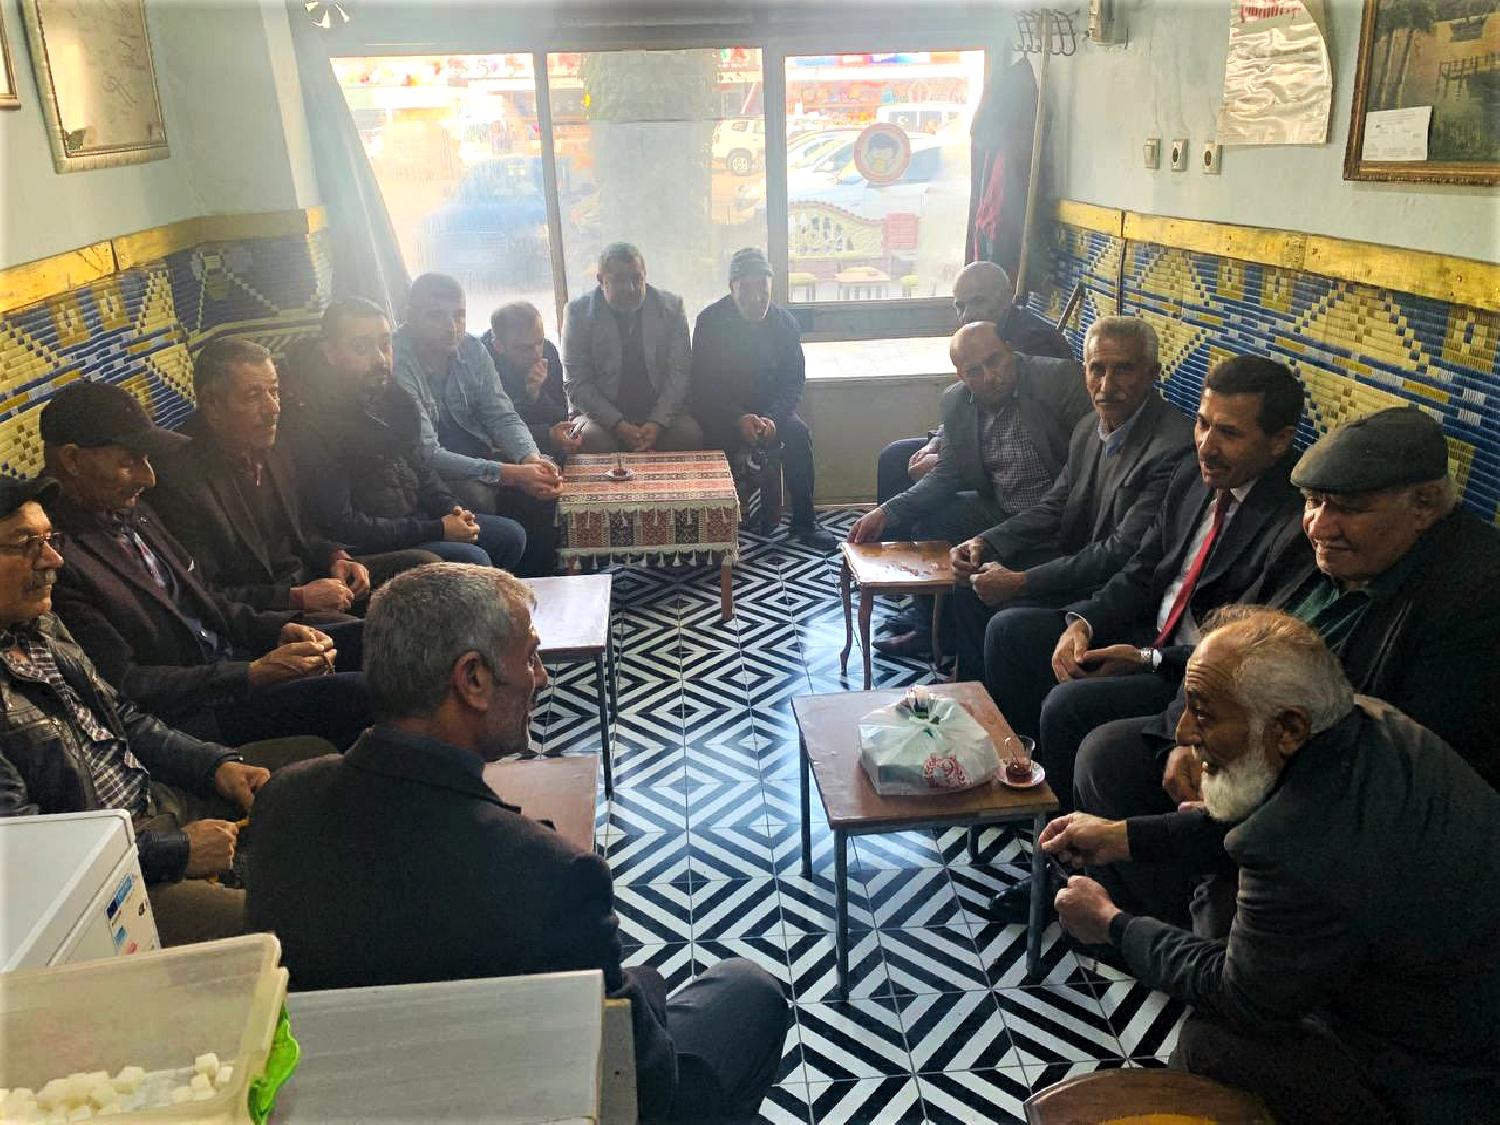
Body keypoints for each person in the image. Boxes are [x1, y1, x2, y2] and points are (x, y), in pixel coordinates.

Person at [245, 563, 790, 1123]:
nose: (542, 678)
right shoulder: (550, 875)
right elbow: (639, 1081)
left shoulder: (284, 801)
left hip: (346, 1101)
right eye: (530, 657)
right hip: (509, 1103)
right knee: (748, 991)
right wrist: (642, 995)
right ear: (473, 679)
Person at [1045, 608, 1500, 1125]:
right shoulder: (1363, 720)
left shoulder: (1295, 849)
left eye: (1204, 714)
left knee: (1213, 1042)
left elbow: (1241, 996)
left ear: (1287, 729)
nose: (1186, 733)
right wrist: (1120, 837)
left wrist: (1112, 923)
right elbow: (1261, 810)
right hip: (1455, 989)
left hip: (1448, 1076)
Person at [1073, 406, 1500, 927]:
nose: (1320, 526)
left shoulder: (1473, 602)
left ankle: (1173, 946)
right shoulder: (1330, 555)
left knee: (1209, 886)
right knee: (1107, 755)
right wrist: (1185, 740)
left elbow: (1370, 783)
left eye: (1348, 509)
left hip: (1331, 806)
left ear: (1425, 504)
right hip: (1250, 739)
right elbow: (1230, 650)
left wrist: (1182, 805)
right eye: (1313, 502)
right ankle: (1144, 918)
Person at [0, 477, 331, 946]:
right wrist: (175, 852)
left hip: (154, 803)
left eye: (49, 539)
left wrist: (216, 766)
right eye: (25, 545)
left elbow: (124, 717)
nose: (53, 559)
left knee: (313, 780)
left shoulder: (40, 627)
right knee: (279, 931)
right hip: (112, 880)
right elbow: (27, 852)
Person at [39, 381, 374, 751]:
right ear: (72, 460)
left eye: (147, 460)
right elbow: (125, 682)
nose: (149, 478)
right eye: (129, 462)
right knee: (359, 695)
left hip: (234, 660)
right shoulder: (53, 558)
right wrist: (250, 674)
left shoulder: (129, 510)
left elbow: (207, 601)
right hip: (197, 710)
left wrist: (278, 629)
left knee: (374, 636)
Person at [949, 317, 1195, 678]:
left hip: (1120, 592)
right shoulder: (1089, 427)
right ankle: (975, 698)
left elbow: (1120, 553)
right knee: (972, 581)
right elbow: (1055, 505)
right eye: (1097, 369)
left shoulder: (1172, 448)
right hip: (1081, 564)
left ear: (1152, 374)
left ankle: (1012, 712)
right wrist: (985, 542)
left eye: (1123, 369)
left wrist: (1022, 581)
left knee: (1007, 627)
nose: (1107, 385)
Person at [852, 320, 1089, 659]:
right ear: (961, 376)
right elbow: (947, 474)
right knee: (931, 524)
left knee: (971, 562)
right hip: (1000, 507)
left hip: (1059, 516)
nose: (990, 377)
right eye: (974, 371)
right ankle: (935, 632)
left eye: (995, 361)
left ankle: (969, 655)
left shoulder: (1057, 380)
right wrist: (886, 512)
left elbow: (1084, 469)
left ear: (1010, 350)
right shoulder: (957, 401)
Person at [150, 338, 438, 614]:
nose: (273, 408)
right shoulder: (180, 479)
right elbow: (205, 593)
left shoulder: (275, 441)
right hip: (269, 612)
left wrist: (336, 557)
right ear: (211, 403)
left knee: (425, 569)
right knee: (361, 625)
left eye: (274, 391)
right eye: (253, 396)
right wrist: (296, 599)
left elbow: (303, 527)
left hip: (310, 576)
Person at [278, 297, 526, 571]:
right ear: (331, 353)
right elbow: (341, 524)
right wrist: (437, 529)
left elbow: (423, 470)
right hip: (368, 545)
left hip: (414, 520)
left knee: (510, 536)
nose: (379, 358)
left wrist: (453, 510)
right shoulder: (312, 421)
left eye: (385, 345)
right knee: (472, 559)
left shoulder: (393, 398)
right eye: (361, 347)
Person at [874, 260, 1073, 522]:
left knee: (915, 485)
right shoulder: (976, 337)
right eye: (960, 306)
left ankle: (904, 539)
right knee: (896, 456)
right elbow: (970, 401)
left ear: (1006, 297)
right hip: (984, 441)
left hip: (1017, 464)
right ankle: (887, 541)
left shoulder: (1033, 341)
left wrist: (946, 458)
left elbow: (1008, 431)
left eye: (977, 301)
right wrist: (937, 441)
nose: (967, 315)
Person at [394, 274, 561, 577]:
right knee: (479, 495)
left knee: (545, 481)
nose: (451, 327)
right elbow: (427, 454)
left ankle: (539, 586)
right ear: (410, 316)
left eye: (459, 315)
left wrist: (530, 459)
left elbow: (502, 415)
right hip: (422, 472)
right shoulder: (396, 360)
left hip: (476, 451)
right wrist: (510, 474)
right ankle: (494, 587)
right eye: (436, 316)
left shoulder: (472, 349)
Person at [690, 247, 838, 551]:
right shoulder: (709, 321)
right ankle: (712, 526)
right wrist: (737, 418)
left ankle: (805, 521)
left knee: (799, 435)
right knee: (707, 440)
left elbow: (793, 382)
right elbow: (703, 385)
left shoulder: (785, 323)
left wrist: (773, 418)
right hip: (723, 412)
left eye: (763, 289)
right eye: (746, 289)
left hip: (772, 412)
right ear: (731, 288)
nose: (756, 298)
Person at [562, 242, 703, 454]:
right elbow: (577, 383)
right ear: (601, 280)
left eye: (637, 279)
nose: (630, 288)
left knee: (688, 435)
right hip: (599, 418)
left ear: (645, 275)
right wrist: (618, 425)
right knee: (592, 440)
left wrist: (657, 422)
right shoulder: (578, 313)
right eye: (619, 280)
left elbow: (680, 373)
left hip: (660, 414)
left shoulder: (671, 307)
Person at [482, 300, 582, 462]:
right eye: (525, 348)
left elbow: (561, 416)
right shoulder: (481, 362)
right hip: (497, 450)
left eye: (539, 342)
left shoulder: (548, 350)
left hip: (539, 439)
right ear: (498, 346)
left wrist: (537, 396)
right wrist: (547, 435)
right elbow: (490, 429)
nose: (537, 354)